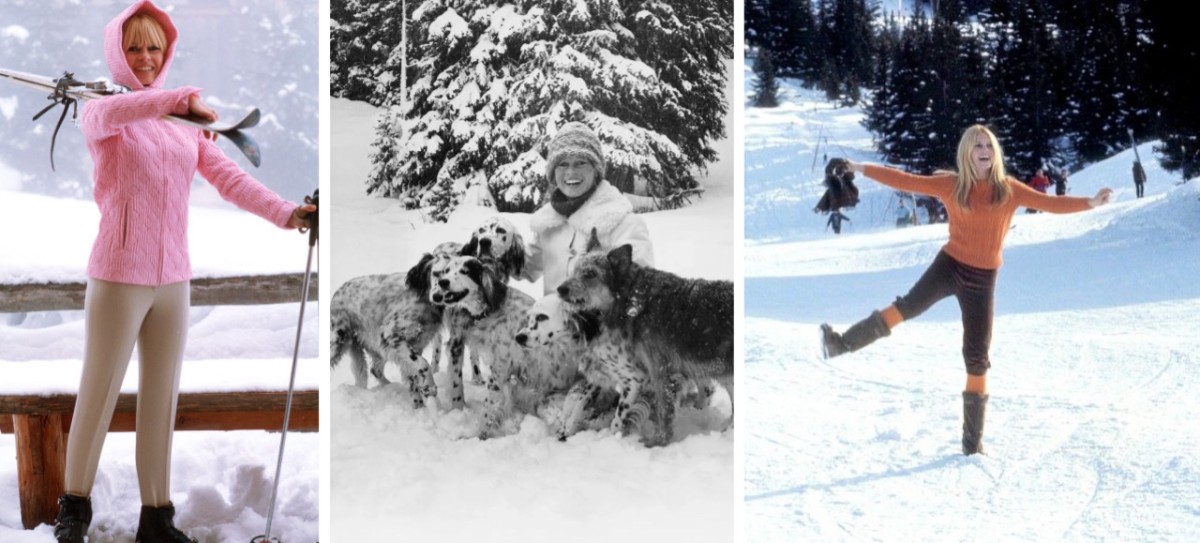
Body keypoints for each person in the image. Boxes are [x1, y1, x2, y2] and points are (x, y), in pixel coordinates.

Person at [53, 2, 316, 542]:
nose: (146, 58)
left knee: (161, 397)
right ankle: (73, 512)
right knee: (97, 394)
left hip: (173, 279)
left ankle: (158, 518)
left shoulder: (182, 129)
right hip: (119, 276)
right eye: (134, 48)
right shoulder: (101, 111)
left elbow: (229, 178)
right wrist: (176, 101)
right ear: (117, 54)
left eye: (154, 47)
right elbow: (121, 114)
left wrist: (287, 213)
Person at [818, 125, 1112, 456]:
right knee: (906, 307)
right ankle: (841, 344)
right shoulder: (953, 184)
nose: (984, 149)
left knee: (977, 356)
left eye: (988, 144)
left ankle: (972, 447)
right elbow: (907, 180)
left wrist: (1090, 202)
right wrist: (859, 168)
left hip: (983, 280)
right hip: (949, 265)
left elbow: (1048, 203)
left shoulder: (1008, 189)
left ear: (995, 151)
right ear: (967, 153)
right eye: (977, 145)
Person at [523, 121, 653, 294]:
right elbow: (523, 267)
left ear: (596, 170)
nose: (570, 172)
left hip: (599, 322)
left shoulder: (624, 223)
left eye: (581, 163)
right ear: (553, 172)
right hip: (549, 320)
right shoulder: (548, 224)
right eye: (562, 164)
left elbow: (640, 289)